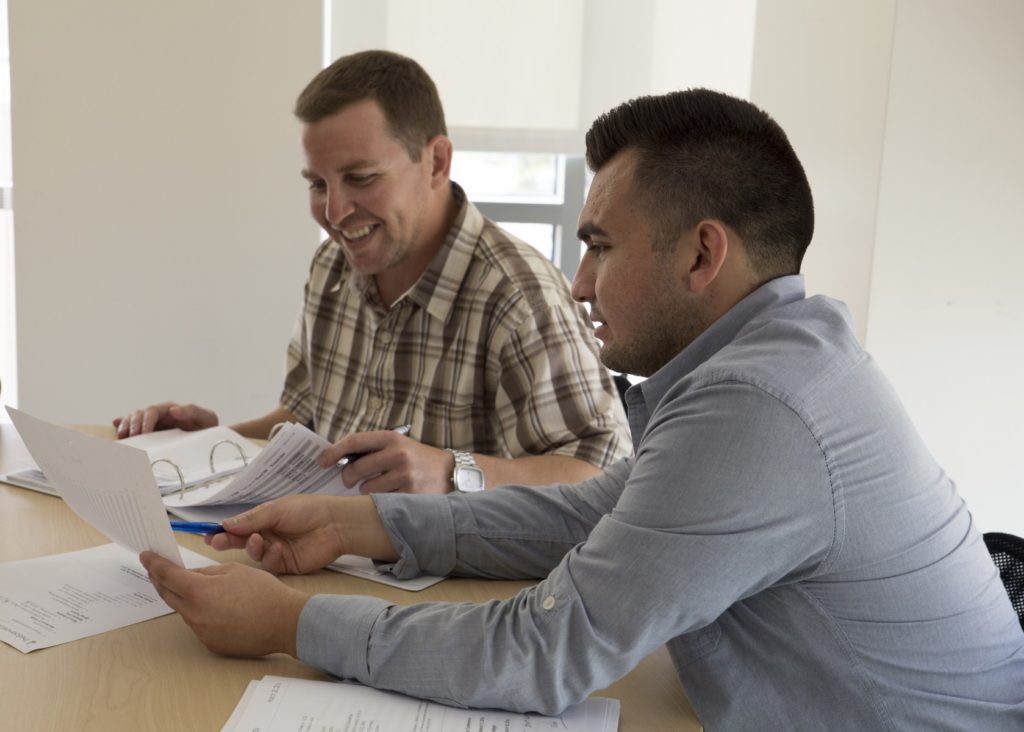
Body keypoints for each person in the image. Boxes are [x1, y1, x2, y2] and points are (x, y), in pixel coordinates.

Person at [140, 89, 1024, 729]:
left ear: (702, 254)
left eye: (600, 245)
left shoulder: (760, 407)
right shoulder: (773, 360)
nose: (580, 282)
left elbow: (542, 652)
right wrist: (369, 525)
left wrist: (293, 623)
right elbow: (604, 511)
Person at [113, 50, 629, 493]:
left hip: (451, 593)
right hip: (339, 557)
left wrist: (453, 472)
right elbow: (304, 422)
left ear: (437, 162)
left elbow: (600, 474)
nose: (335, 213)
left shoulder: (518, 296)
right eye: (318, 184)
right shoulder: (331, 267)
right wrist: (211, 443)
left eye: (360, 178)